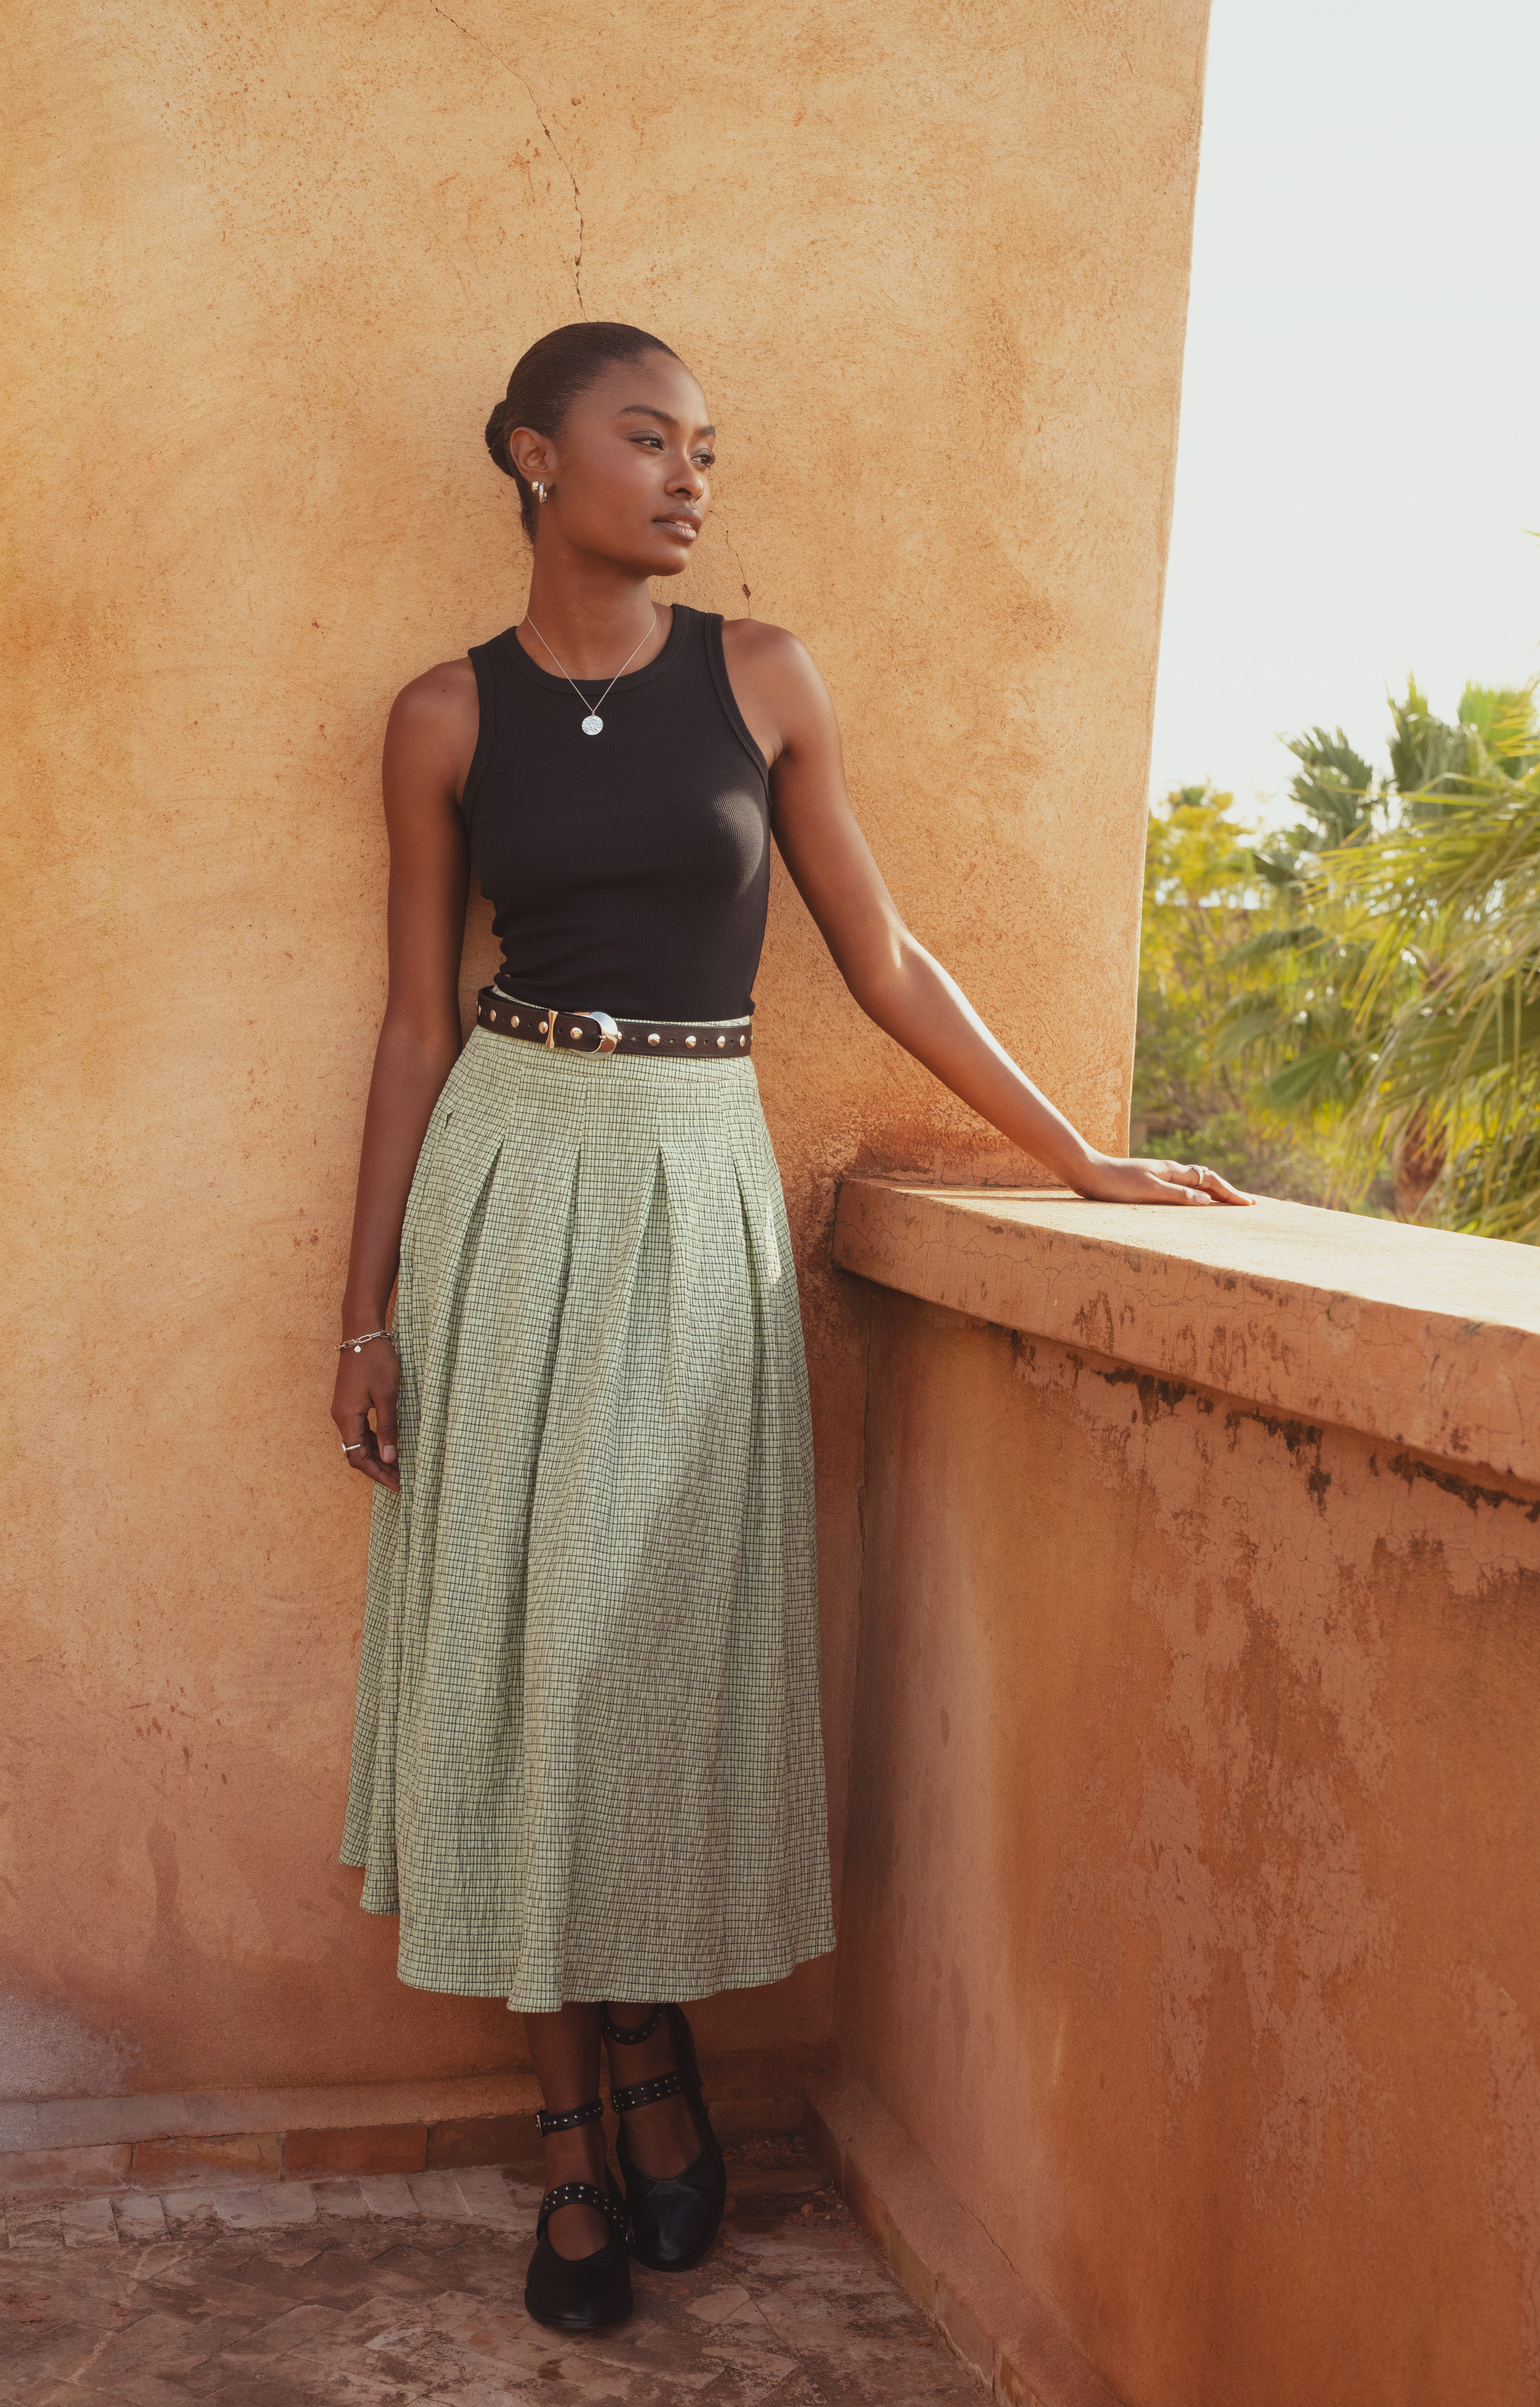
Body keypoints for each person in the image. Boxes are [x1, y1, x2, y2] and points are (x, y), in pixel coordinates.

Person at [331, 320, 1251, 2336]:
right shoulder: (439, 719)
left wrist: (1084, 1161)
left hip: (693, 1172)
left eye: (705, 449)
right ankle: (574, 2131)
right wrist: (365, 1311)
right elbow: (412, 1023)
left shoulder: (762, 677)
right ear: (530, 457)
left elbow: (889, 953)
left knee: (647, 1645)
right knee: (527, 1655)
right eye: (644, 438)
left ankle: (651, 2040)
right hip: (509, 1178)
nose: (687, 478)